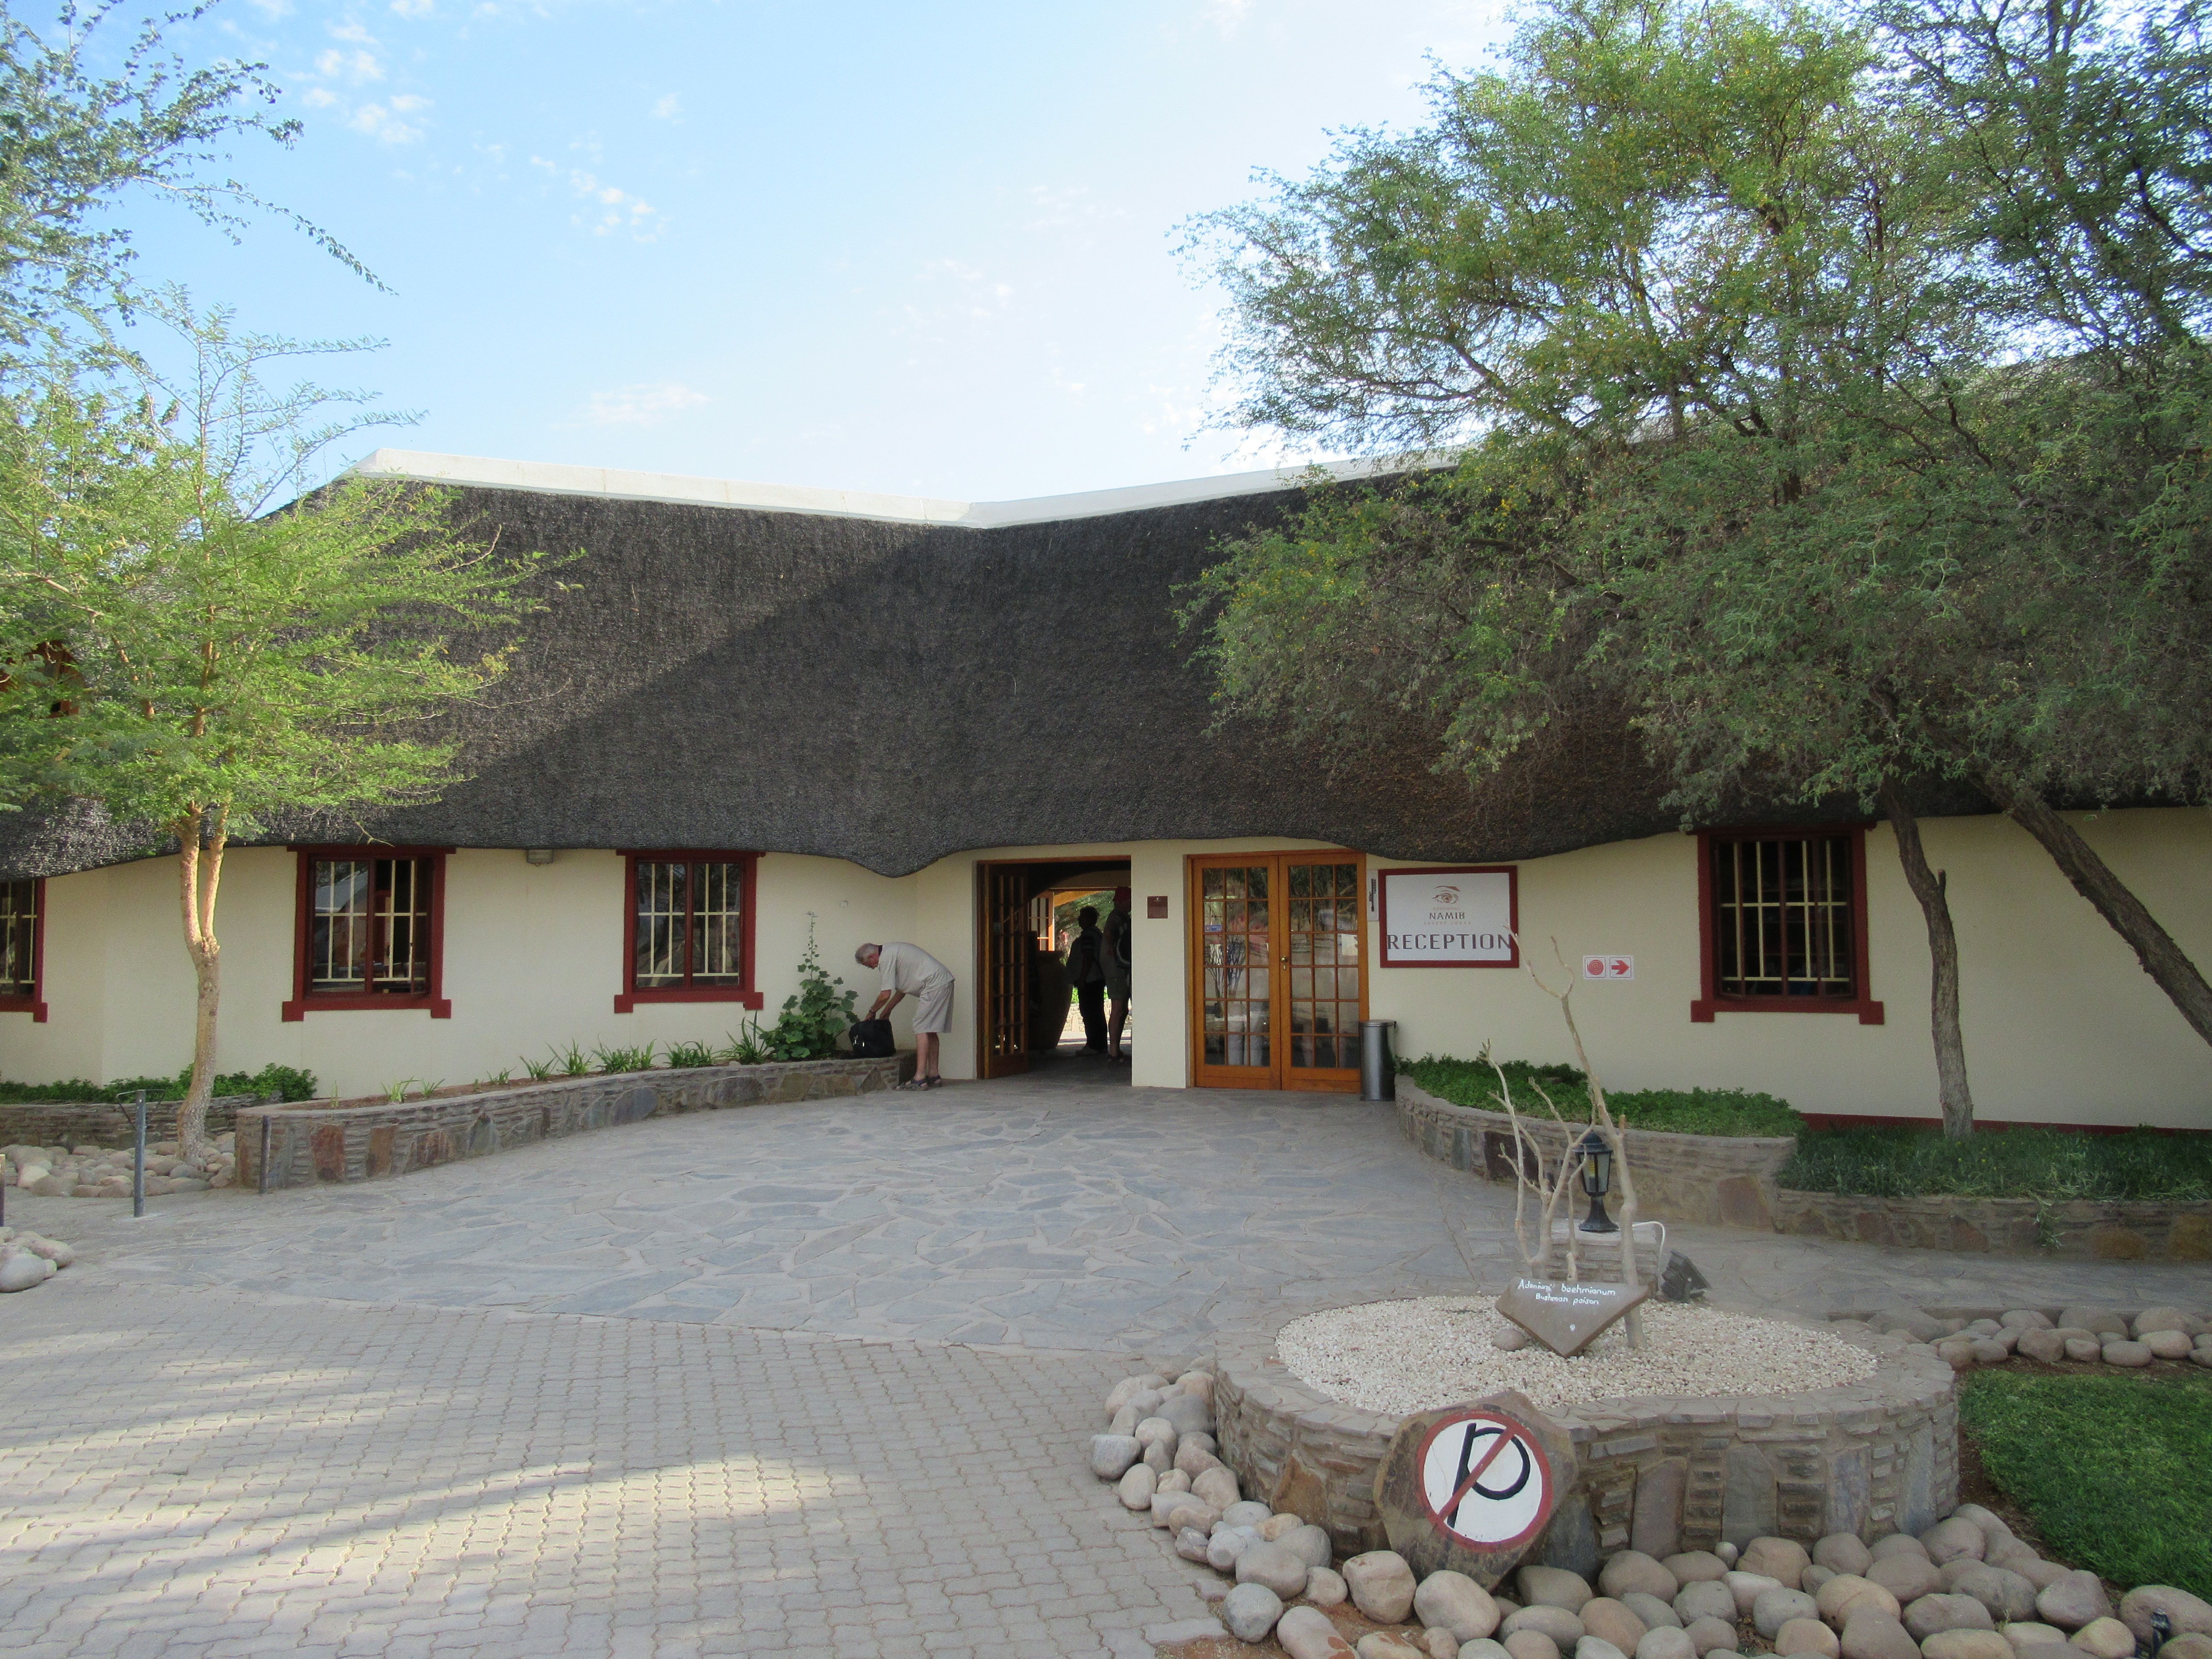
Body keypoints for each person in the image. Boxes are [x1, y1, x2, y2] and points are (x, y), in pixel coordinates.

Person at [855, 941, 954, 1090]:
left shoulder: (885, 958)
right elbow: (902, 990)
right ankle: (934, 1075)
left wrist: (872, 1011)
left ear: (871, 957)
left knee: (920, 1027)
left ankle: (919, 1078)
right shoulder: (892, 951)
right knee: (930, 1029)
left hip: (934, 985)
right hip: (942, 982)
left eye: (869, 965)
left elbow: (885, 994)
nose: (872, 968)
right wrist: (887, 1011)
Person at [1065, 905, 1109, 1053]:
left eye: (1082, 917)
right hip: (1098, 979)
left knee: (1090, 1013)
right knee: (1097, 1012)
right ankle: (1100, 1044)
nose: (1079, 920)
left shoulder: (1088, 936)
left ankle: (1094, 1045)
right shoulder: (1098, 935)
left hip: (1090, 980)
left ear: (1089, 919)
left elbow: (1088, 958)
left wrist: (1082, 978)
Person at [1102, 886, 1133, 1062]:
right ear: (1122, 901)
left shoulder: (1121, 917)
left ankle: (1116, 1049)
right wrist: (1113, 951)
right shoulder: (1116, 918)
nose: (1131, 903)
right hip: (1116, 969)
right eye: (1129, 900)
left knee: (1122, 1008)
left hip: (1119, 967)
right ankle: (1113, 1051)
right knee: (1118, 1007)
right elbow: (1109, 933)